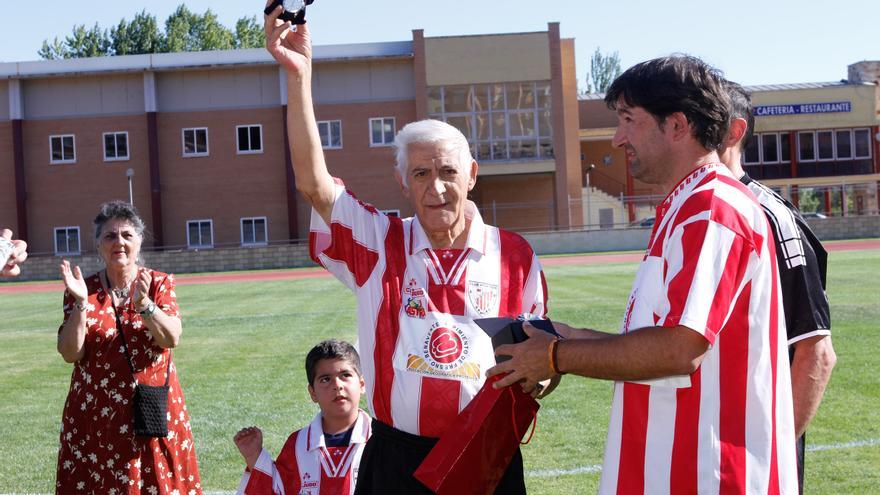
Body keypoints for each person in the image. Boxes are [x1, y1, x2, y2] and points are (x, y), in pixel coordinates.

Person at [263, 5, 548, 494]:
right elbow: (314, 184)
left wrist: (540, 380)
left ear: (472, 176)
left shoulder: (516, 256)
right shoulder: (380, 242)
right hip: (397, 456)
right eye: (421, 174)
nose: (436, 187)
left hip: (486, 453)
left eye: (448, 172)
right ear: (402, 182)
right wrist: (298, 77)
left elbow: (542, 360)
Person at [489, 56, 799, 494]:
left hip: (705, 475)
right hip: (672, 470)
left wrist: (557, 356)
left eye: (629, 121)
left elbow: (679, 350)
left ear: (676, 125)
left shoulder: (712, 210)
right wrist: (569, 336)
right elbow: (661, 341)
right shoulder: (686, 206)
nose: (617, 139)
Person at [720, 80, 836, 493]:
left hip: (754, 469)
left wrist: (771, 458)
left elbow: (816, 352)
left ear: (734, 132)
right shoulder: (693, 213)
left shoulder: (768, 215)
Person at [55, 200, 201, 494]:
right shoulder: (83, 289)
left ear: (139, 241)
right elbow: (71, 353)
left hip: (149, 413)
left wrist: (145, 305)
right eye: (110, 236)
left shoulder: (158, 283)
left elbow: (171, 338)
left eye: (126, 235)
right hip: (95, 416)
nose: (118, 242)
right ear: (98, 245)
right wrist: (82, 303)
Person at [233, 340, 372, 494]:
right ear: (313, 393)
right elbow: (278, 490)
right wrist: (254, 456)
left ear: (362, 384)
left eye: (345, 375)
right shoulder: (297, 444)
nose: (337, 385)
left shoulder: (380, 440)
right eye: (325, 379)